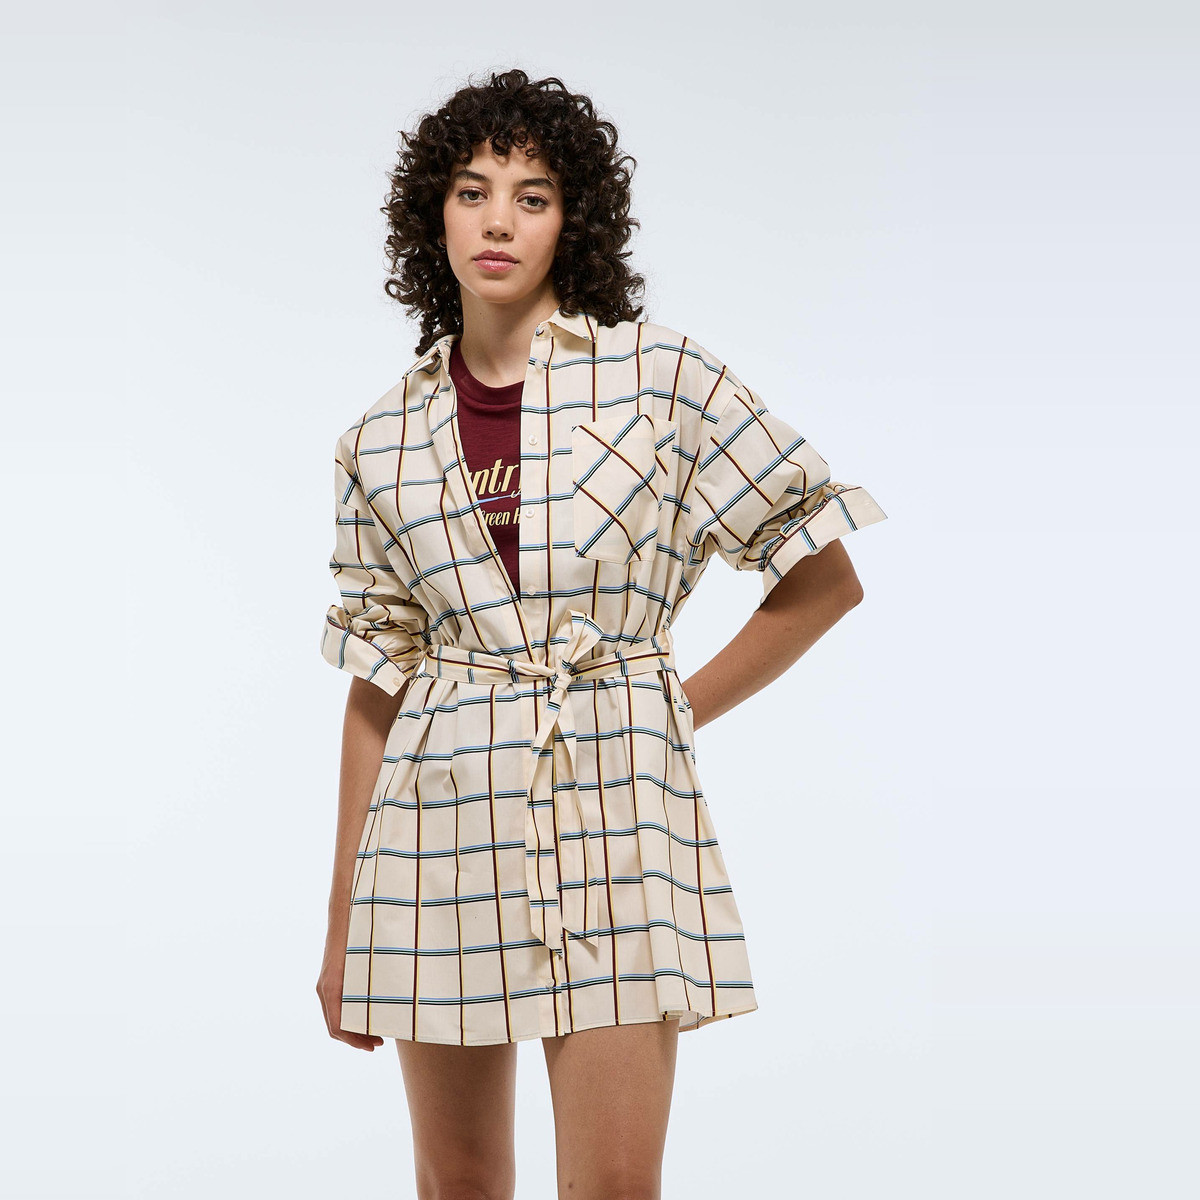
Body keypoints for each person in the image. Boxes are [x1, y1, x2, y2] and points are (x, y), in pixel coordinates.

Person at [315, 68, 887, 1200]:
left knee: (616, 1186)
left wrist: (668, 708)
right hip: (434, 827)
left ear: (571, 222)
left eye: (531, 197)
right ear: (435, 214)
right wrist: (343, 919)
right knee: (458, 1183)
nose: (498, 220)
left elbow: (823, 579)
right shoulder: (379, 437)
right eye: (473, 191)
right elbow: (378, 683)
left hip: (618, 813)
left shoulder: (660, 379)